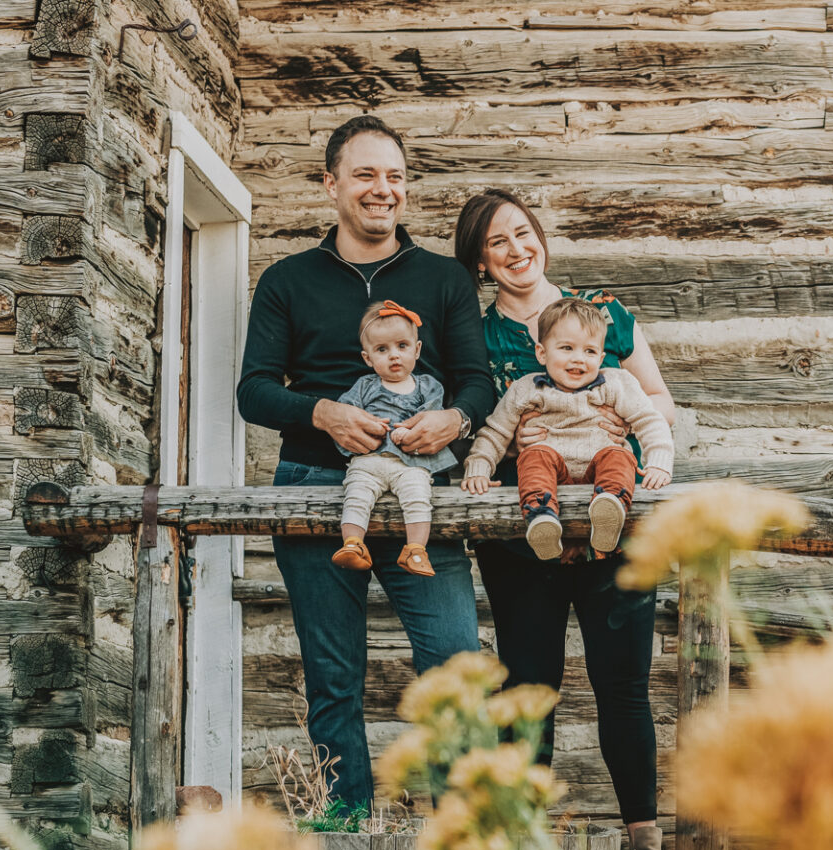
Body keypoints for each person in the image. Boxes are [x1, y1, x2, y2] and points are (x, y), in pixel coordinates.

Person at [238, 115, 494, 812]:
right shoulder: (287, 280)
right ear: (331, 185)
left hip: (425, 491)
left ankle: (459, 841)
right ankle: (346, 835)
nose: (384, 190)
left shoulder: (443, 278)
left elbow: (476, 380)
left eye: (395, 177)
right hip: (317, 492)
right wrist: (324, 412)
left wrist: (455, 418)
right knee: (333, 676)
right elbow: (253, 390)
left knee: (453, 663)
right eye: (365, 174)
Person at [453, 188, 678, 850]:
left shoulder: (603, 314)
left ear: (540, 235)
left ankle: (645, 847)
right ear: (481, 262)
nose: (517, 250)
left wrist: (623, 439)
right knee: (530, 687)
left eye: (524, 233)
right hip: (526, 541)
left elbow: (658, 400)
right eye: (498, 243)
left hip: (617, 525)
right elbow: (477, 422)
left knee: (623, 686)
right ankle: (529, 847)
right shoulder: (479, 336)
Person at [461, 297, 673, 560]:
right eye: (566, 348)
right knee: (534, 456)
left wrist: (659, 461)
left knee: (619, 456)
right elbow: (495, 433)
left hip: (601, 472)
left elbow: (649, 420)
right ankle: (541, 517)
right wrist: (479, 467)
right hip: (551, 474)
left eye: (590, 351)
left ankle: (610, 508)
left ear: (602, 357)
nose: (578, 360)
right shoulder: (527, 389)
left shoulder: (615, 384)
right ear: (542, 353)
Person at [332, 300, 458, 576]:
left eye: (402, 346)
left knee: (418, 497)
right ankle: (353, 543)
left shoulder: (428, 386)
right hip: (370, 459)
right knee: (356, 495)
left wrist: (409, 431)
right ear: (367, 358)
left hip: (410, 463)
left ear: (417, 349)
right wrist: (366, 425)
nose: (394, 356)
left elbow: (431, 416)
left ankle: (415, 550)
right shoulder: (364, 386)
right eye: (382, 349)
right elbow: (347, 416)